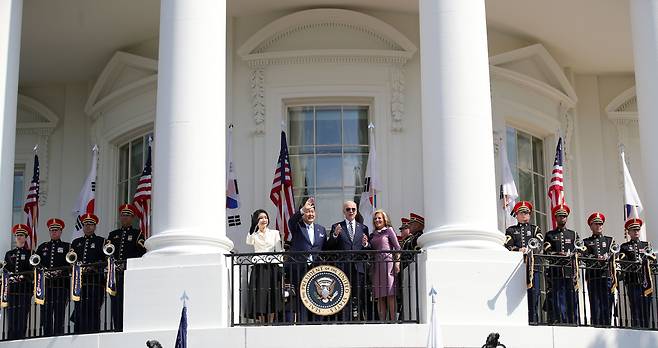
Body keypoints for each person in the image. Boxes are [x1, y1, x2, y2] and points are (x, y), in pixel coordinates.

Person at [325, 201, 370, 321]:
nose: (351, 211)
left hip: (358, 266)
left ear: (356, 211)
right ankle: (344, 320)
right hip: (342, 267)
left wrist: (366, 244)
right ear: (344, 211)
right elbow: (329, 246)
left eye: (353, 209)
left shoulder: (363, 228)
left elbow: (368, 250)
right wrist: (335, 235)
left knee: (359, 294)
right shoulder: (337, 226)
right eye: (348, 209)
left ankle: (359, 320)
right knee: (343, 295)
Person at [107, 204, 146, 331]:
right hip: (115, 275)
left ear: (132, 218)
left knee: (127, 301)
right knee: (115, 302)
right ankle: (117, 327)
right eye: (123, 215)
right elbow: (107, 253)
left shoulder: (137, 233)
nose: (124, 218)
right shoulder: (113, 235)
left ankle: (127, 327)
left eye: (127, 215)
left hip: (129, 274)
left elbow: (140, 252)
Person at [287, 197, 326, 322]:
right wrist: (303, 209)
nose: (310, 214)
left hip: (315, 267)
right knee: (302, 296)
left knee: (316, 295)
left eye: (312, 212)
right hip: (300, 267)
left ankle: (316, 322)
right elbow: (291, 221)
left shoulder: (321, 229)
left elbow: (325, 247)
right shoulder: (297, 227)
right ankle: (302, 322)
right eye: (308, 212)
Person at [504, 201, 543, 324]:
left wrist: (531, 248)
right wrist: (518, 249)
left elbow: (539, 243)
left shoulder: (535, 229)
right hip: (517, 269)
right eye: (522, 213)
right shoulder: (511, 230)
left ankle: (534, 321)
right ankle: (519, 321)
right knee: (517, 296)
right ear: (517, 215)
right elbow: (508, 246)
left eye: (527, 212)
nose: (525, 215)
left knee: (534, 295)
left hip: (533, 267)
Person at [543, 204, 581, 325]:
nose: (562, 218)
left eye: (564, 216)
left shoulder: (573, 234)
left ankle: (573, 320)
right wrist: (558, 254)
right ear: (555, 218)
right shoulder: (550, 235)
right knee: (558, 298)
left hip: (570, 271)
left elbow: (580, 249)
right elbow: (547, 250)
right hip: (556, 271)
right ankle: (561, 320)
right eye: (560, 216)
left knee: (572, 297)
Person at [245, 209, 283, 323]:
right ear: (256, 220)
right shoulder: (254, 235)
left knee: (272, 294)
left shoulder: (274, 233)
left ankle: (271, 322)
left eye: (265, 217)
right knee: (260, 295)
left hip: (272, 267)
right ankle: (261, 322)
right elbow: (248, 241)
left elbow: (279, 250)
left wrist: (280, 267)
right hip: (259, 268)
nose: (264, 220)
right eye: (261, 218)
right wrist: (253, 227)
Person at [70, 213, 106, 334]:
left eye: (90, 224)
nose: (88, 227)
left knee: (93, 309)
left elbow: (106, 261)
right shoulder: (76, 242)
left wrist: (93, 267)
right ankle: (79, 332)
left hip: (95, 282)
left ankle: (93, 332)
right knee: (79, 308)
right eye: (86, 224)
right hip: (80, 283)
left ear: (95, 226)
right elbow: (71, 259)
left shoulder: (101, 241)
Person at [35, 218, 70, 336]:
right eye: (52, 230)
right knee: (46, 313)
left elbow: (71, 264)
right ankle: (47, 335)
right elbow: (35, 263)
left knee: (59, 313)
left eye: (56, 230)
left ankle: (58, 336)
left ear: (61, 232)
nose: (54, 232)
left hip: (61, 286)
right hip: (46, 287)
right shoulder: (42, 247)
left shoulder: (67, 247)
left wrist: (59, 272)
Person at [619, 218, 655, 328]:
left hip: (645, 281)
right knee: (635, 306)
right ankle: (637, 327)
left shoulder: (646, 245)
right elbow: (623, 262)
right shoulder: (624, 247)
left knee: (646, 306)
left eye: (637, 230)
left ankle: (646, 328)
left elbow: (653, 260)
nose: (636, 232)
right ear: (628, 232)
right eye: (633, 230)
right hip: (632, 281)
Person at [582, 212, 615, 326]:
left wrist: (608, 256)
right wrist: (596, 258)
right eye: (595, 224)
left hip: (606, 275)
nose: (598, 226)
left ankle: (607, 324)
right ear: (591, 226)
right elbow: (584, 256)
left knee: (607, 301)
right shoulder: (586, 242)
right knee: (595, 303)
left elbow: (614, 253)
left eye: (600, 224)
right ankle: (596, 324)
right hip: (593, 276)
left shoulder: (609, 240)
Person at [370, 209, 401, 321]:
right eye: (375, 218)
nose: (377, 220)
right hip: (376, 266)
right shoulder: (372, 234)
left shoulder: (389, 231)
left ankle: (393, 321)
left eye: (379, 218)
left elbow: (397, 248)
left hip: (388, 265)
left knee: (390, 293)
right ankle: (382, 322)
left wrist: (397, 262)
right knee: (380, 295)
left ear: (384, 219)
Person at [4, 224, 34, 339]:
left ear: (26, 237)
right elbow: (6, 269)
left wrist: (23, 276)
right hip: (12, 291)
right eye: (17, 235)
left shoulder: (30, 253)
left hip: (24, 290)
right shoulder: (9, 254)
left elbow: (32, 271)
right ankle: (11, 338)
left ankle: (20, 337)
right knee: (11, 317)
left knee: (21, 317)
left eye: (21, 235)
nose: (19, 237)